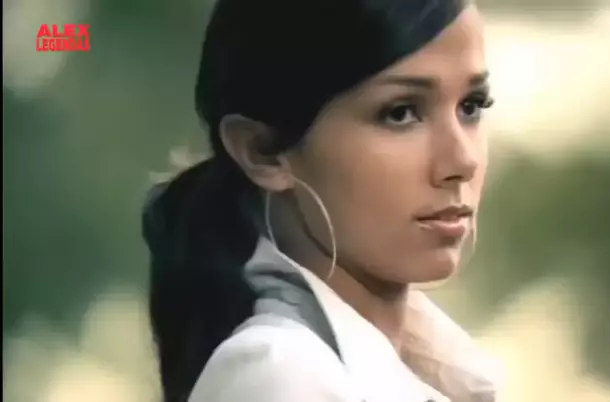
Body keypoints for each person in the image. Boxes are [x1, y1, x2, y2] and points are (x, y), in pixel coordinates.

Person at [142, 0, 497, 400]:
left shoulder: (433, 374)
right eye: (400, 113)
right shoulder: (281, 374)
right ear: (262, 151)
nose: (462, 161)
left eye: (471, 106)